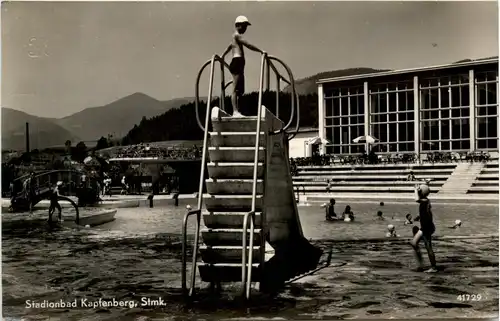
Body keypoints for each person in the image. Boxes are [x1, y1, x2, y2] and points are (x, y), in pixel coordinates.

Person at [221, 15, 265, 117]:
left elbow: (229, 46)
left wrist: (223, 55)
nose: (245, 29)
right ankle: (235, 111)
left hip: (239, 64)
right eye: (244, 26)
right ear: (238, 25)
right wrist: (260, 51)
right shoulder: (237, 36)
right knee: (235, 88)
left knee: (241, 89)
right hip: (237, 62)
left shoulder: (234, 37)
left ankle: (239, 110)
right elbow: (248, 44)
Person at [410, 184, 438, 273]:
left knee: (428, 247)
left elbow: (416, 199)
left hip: (427, 228)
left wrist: (415, 190)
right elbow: (425, 212)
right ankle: (421, 264)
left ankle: (433, 267)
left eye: (419, 191)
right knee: (414, 243)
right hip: (425, 227)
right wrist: (419, 217)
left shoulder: (424, 201)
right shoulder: (426, 201)